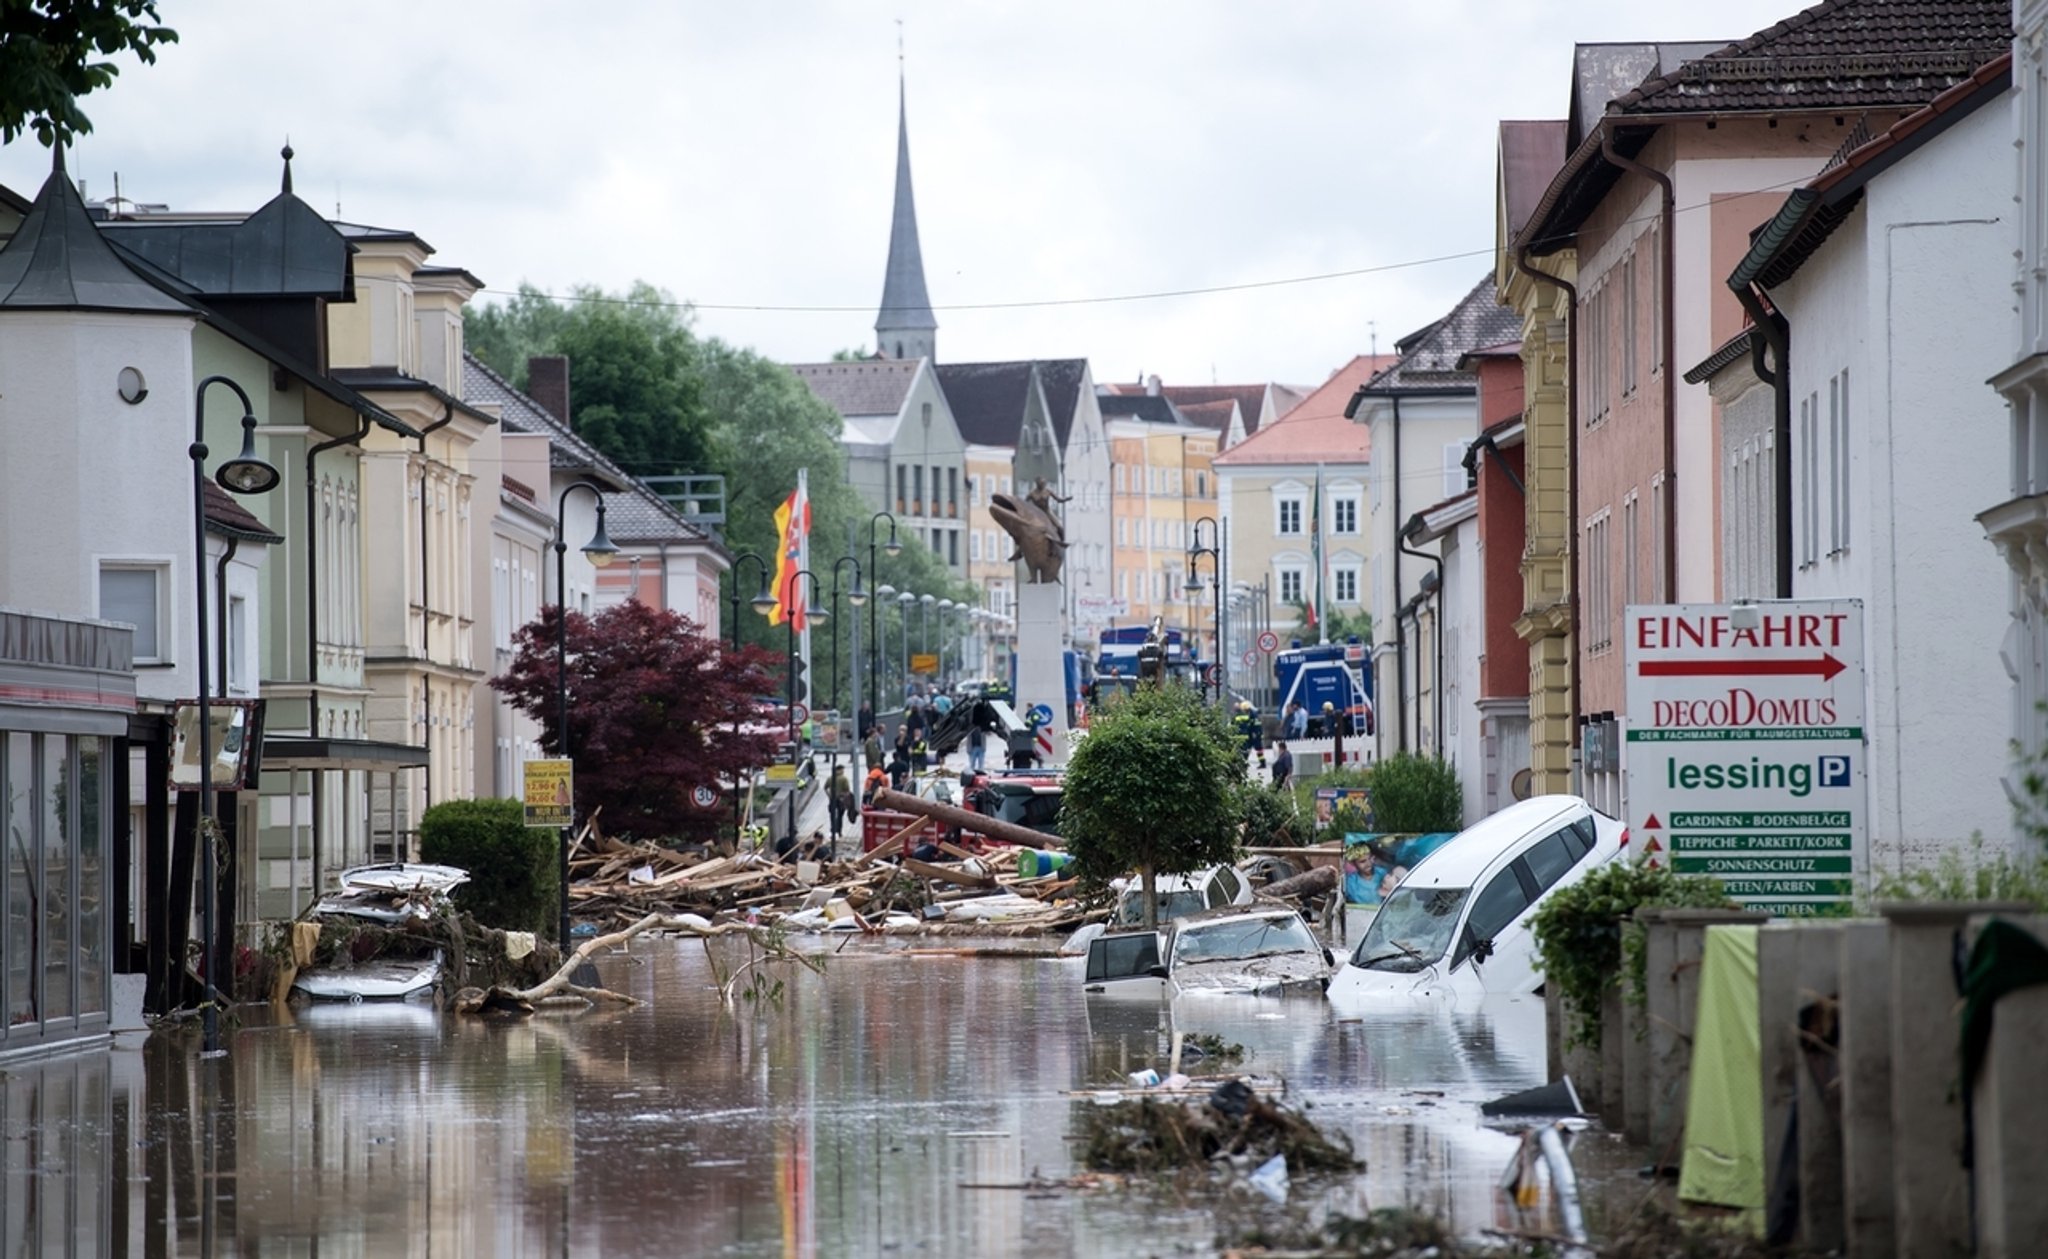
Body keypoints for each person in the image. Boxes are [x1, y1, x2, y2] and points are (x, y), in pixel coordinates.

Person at [827, 767, 855, 849]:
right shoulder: (844, 779)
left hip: (832, 799)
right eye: (842, 769)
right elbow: (847, 790)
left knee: (832, 815)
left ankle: (832, 830)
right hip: (841, 800)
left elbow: (825, 788)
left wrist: (829, 795)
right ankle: (839, 831)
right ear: (839, 770)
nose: (843, 771)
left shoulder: (830, 778)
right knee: (840, 815)